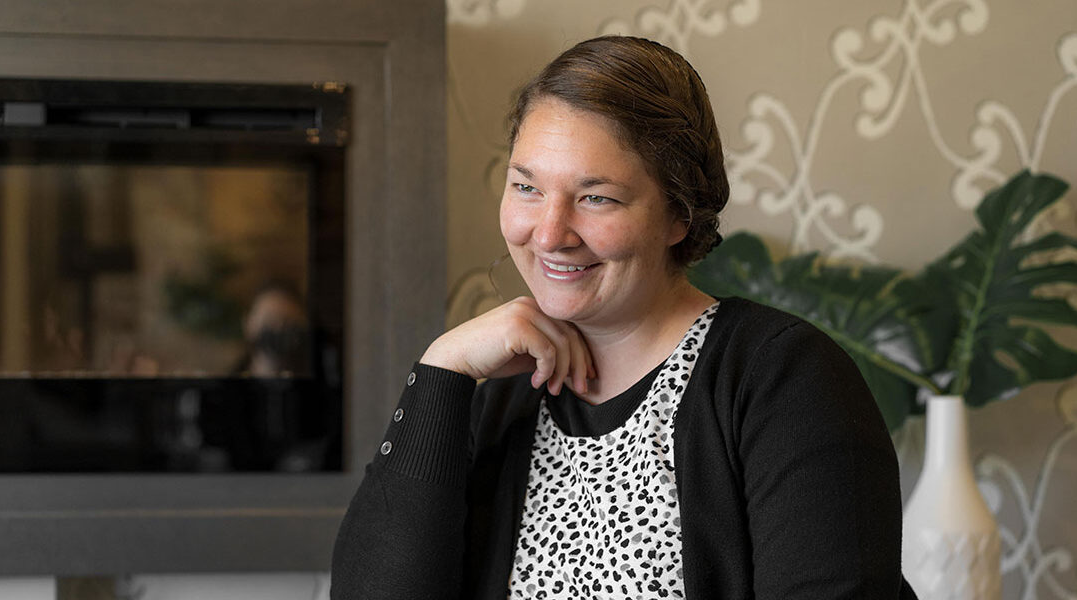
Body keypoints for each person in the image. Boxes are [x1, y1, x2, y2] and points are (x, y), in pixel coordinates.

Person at [331, 36, 916, 599]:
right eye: (527, 187)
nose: (551, 234)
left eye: (597, 197)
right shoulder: (505, 398)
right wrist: (443, 370)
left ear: (678, 215)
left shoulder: (784, 379)